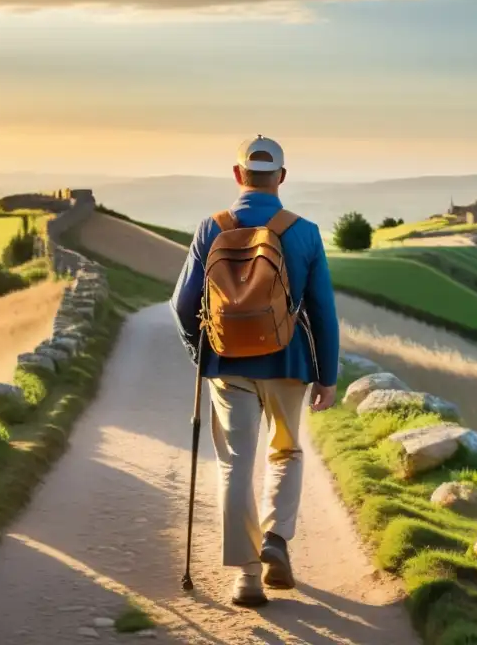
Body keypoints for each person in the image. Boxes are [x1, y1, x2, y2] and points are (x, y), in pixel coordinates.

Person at [171, 135, 339, 607]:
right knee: (285, 450)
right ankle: (276, 541)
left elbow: (182, 305)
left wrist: (201, 354)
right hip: (288, 363)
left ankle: (245, 577)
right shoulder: (303, 231)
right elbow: (322, 310)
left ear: (238, 174)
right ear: (281, 177)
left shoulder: (212, 228)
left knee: (235, 464)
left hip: (228, 366)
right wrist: (327, 375)